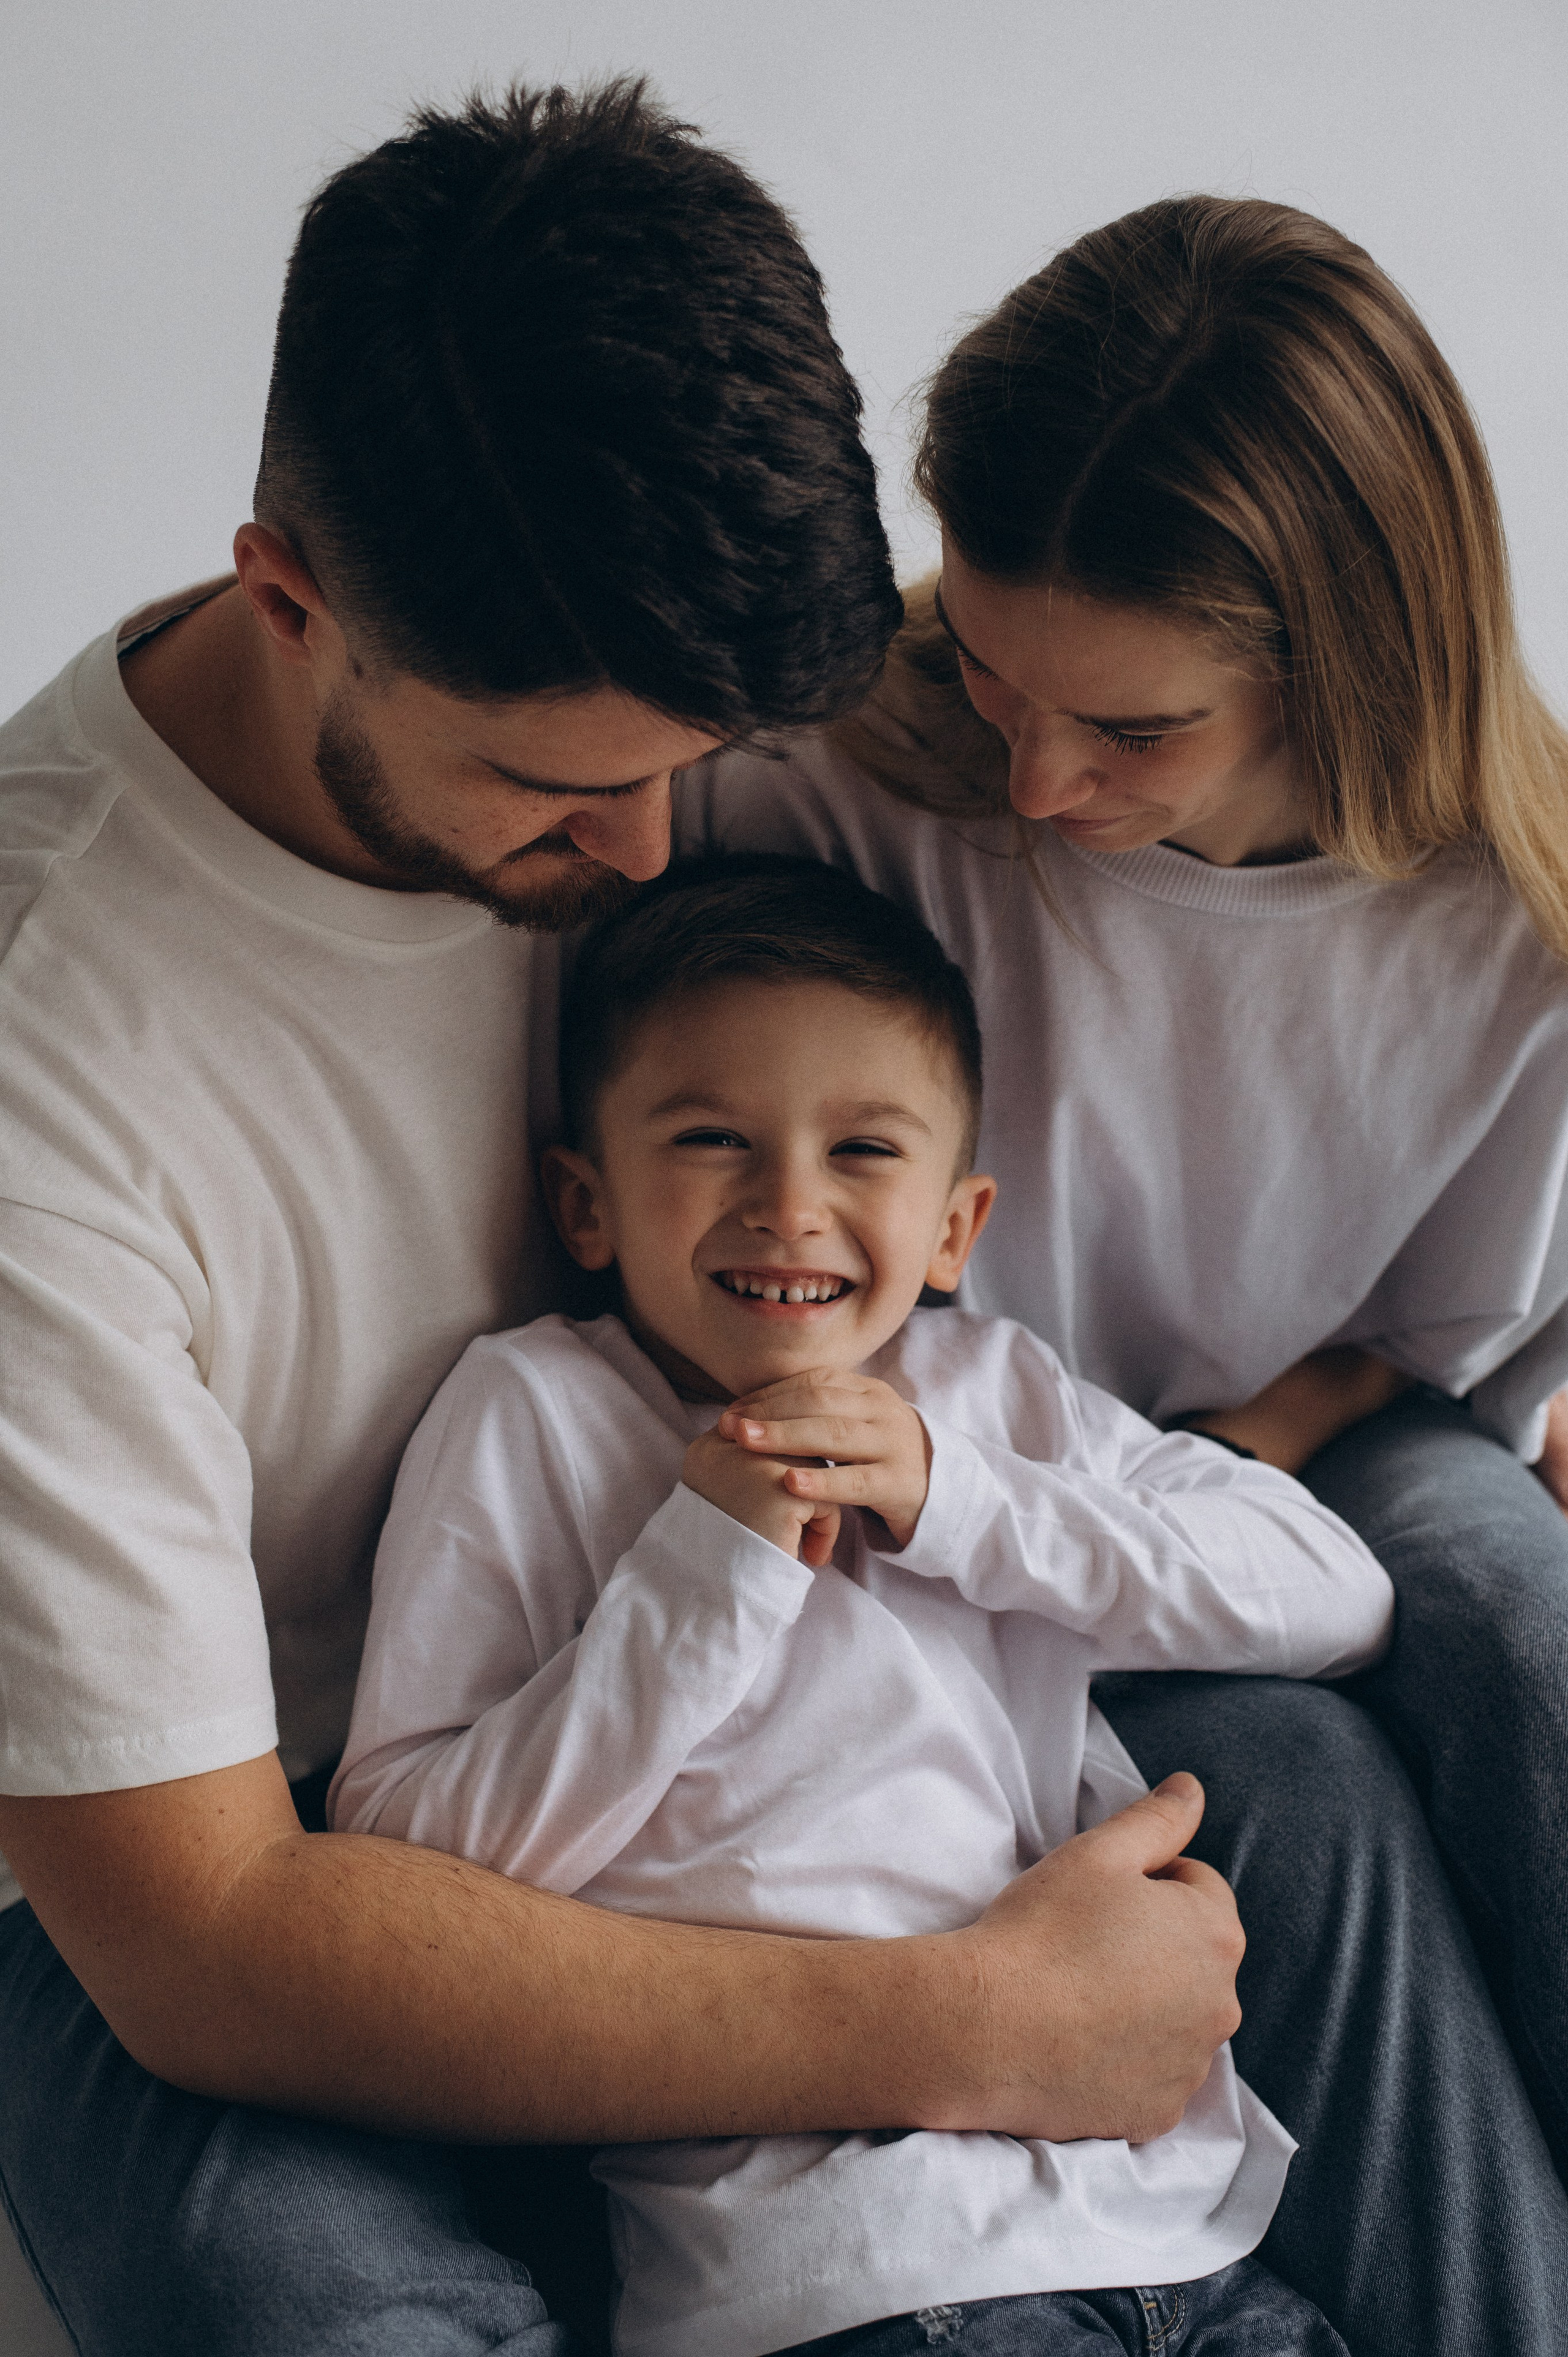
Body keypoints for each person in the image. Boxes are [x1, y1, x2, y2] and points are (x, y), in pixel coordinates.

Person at [0, 78, 1556, 2351]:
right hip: (296, 1842)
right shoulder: (55, 1070)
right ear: (289, 604)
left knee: (1320, 1752)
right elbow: (213, 1929)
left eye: (698, 762)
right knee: (311, 2297)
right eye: (571, 786)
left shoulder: (683, 720)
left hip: (831, 1676)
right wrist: (967, 2027)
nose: (662, 854)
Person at [682, 192, 1568, 2200]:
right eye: (996, 677)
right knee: (1267, 1770)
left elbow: (1429, 1349)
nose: (1035, 784)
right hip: (950, 1455)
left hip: (1317, 1438)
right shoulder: (831, 791)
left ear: (1340, 660)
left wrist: (1225, 1460)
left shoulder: (1510, 922)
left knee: (1525, 1629)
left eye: (1137, 727)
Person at [332, 856, 1389, 2357]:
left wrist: (961, 1500)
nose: (788, 1205)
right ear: (584, 1197)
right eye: (710, 1137)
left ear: (954, 1228)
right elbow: (404, 1867)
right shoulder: (533, 1413)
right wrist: (709, 1563)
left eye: (863, 1150)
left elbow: (1336, 1590)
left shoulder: (991, 1392)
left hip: (1182, 2231)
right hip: (841, 2274)